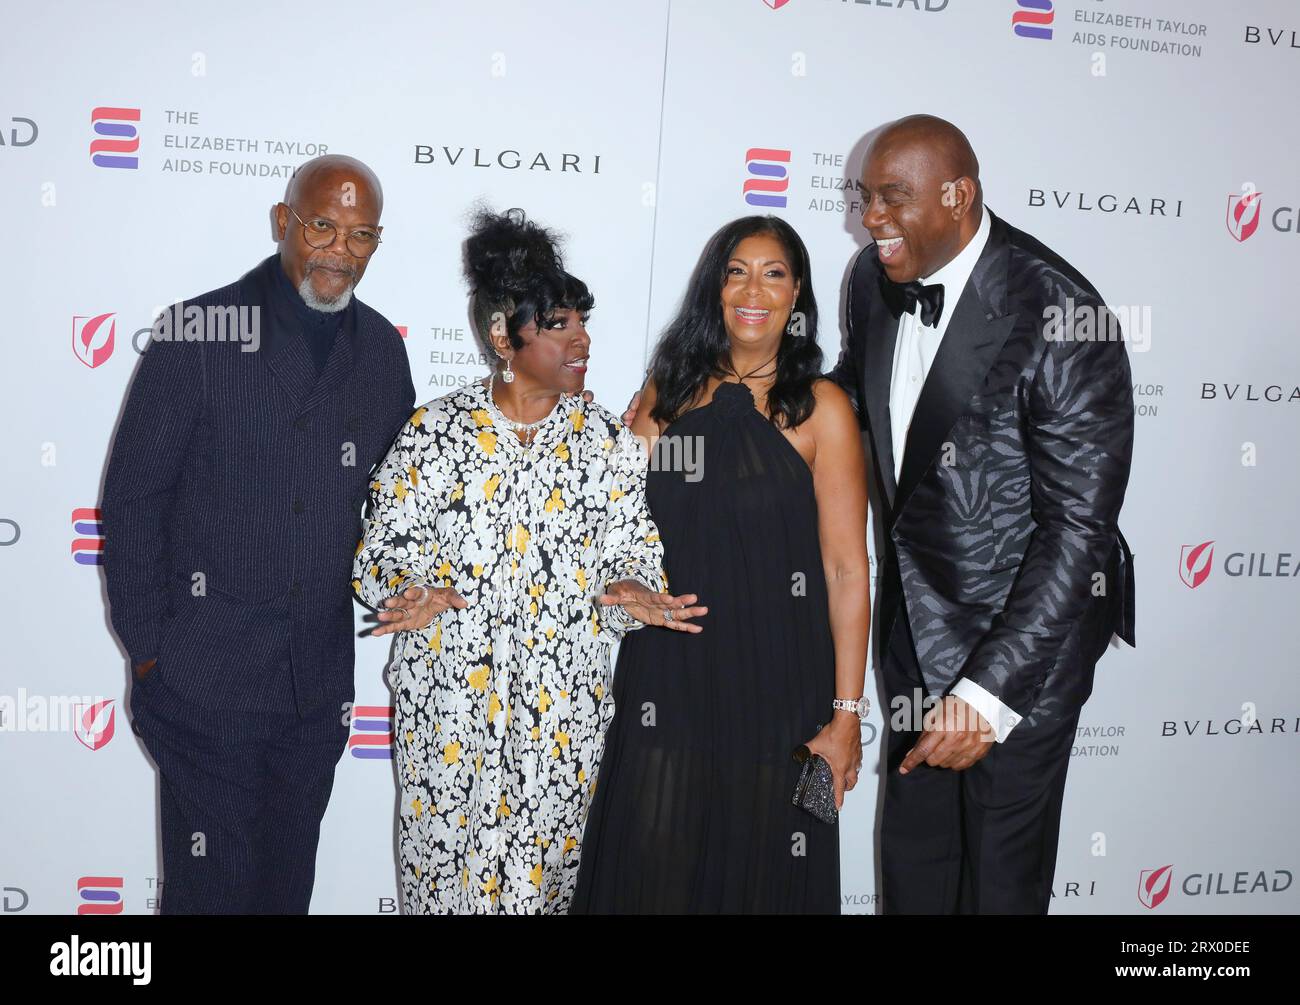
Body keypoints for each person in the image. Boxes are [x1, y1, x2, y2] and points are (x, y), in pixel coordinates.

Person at [828, 114, 1136, 914]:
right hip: (914, 637)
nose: (871, 218)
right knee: (915, 872)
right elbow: (854, 406)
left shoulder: (1066, 315)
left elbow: (1079, 531)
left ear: (959, 196)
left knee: (999, 887)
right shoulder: (872, 278)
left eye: (893, 198)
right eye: (866, 198)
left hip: (1022, 653)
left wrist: (988, 693)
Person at [352, 208, 696, 914]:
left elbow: (634, 542)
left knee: (543, 890)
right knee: (444, 890)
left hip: (559, 721)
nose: (583, 339)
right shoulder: (436, 431)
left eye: (582, 323)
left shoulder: (606, 438)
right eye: (561, 325)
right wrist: (409, 589)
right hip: (451, 716)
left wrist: (633, 586)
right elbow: (380, 548)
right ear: (504, 337)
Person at [101, 155, 415, 914]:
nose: (340, 249)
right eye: (322, 226)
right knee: (212, 893)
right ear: (284, 223)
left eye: (362, 234)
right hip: (203, 680)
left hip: (313, 691)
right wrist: (152, 651)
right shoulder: (199, 332)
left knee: (283, 894)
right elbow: (134, 501)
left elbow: (398, 505)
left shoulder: (381, 351)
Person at [572, 215, 870, 914]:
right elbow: (605, 516)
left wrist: (847, 714)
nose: (753, 289)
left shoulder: (822, 408)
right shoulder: (665, 392)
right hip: (668, 679)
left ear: (797, 293)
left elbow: (846, 569)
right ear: (715, 285)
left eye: (773, 273)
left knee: (764, 878)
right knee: (653, 874)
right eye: (737, 270)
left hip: (782, 688)